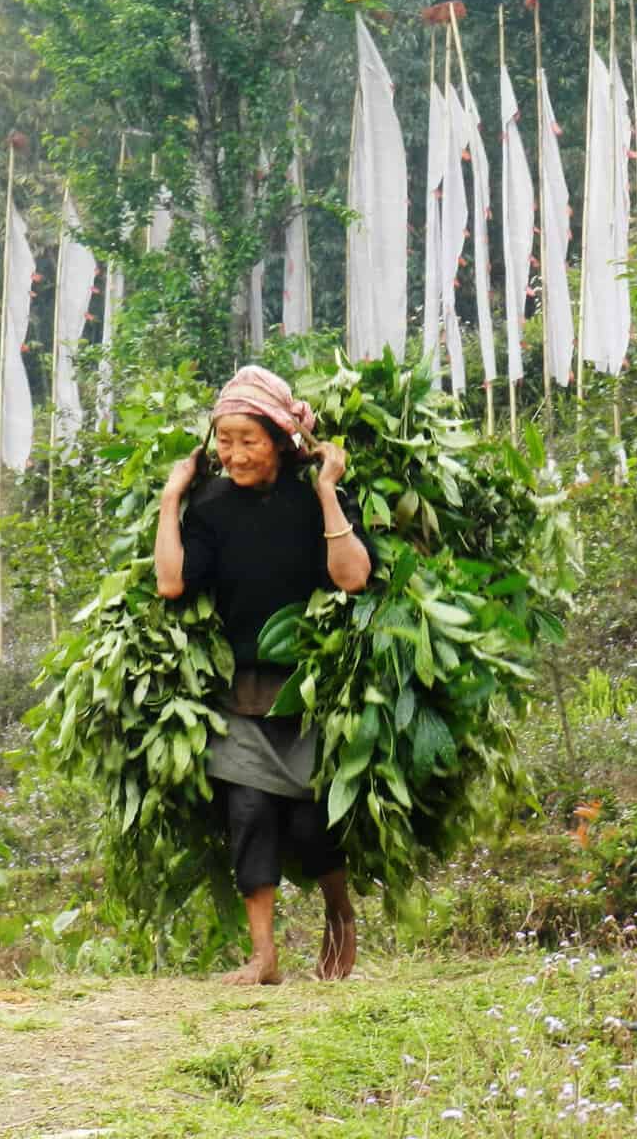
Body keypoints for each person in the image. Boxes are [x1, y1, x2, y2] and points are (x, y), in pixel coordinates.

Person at [153, 365, 374, 984]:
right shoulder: (212, 507)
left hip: (312, 689)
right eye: (224, 441)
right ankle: (264, 957)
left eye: (248, 440)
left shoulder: (313, 496)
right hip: (241, 690)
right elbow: (172, 582)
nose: (235, 454)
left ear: (279, 438)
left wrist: (330, 491)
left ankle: (340, 915)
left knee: (310, 822)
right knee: (247, 812)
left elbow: (352, 578)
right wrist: (173, 498)